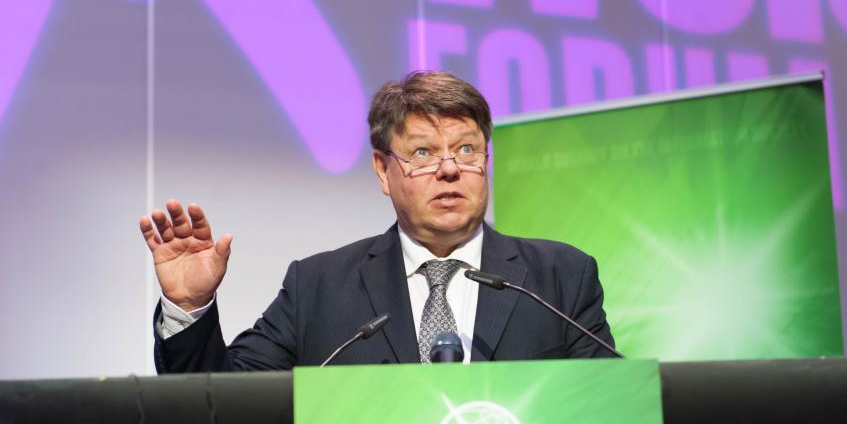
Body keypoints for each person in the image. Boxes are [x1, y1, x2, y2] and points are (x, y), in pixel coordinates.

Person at [140, 71, 617, 371]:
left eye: (466, 149)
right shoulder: (318, 287)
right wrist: (189, 306)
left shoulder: (559, 278)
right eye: (423, 153)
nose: (449, 169)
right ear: (383, 171)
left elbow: (609, 411)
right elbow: (224, 407)